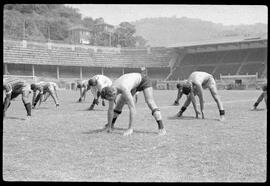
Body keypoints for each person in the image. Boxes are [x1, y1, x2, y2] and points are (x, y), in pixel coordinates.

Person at [100, 73, 166, 136]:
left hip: (143, 80)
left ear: (114, 93)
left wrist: (130, 128)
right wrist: (108, 126)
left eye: (110, 99)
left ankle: (161, 128)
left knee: (150, 101)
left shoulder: (124, 89)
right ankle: (111, 125)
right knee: (119, 103)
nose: (110, 101)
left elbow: (132, 108)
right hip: (133, 84)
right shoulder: (110, 90)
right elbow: (110, 109)